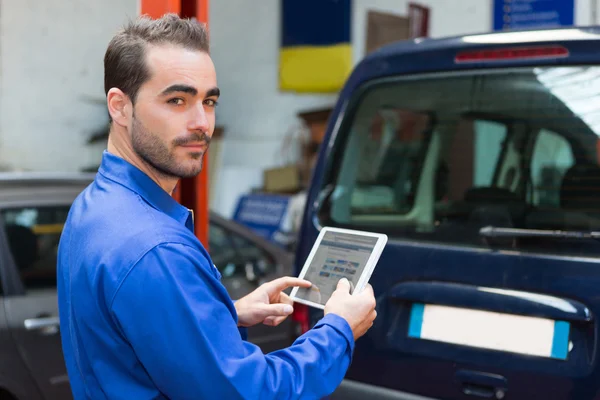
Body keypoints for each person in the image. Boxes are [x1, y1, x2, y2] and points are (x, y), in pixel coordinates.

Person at [57, 13, 378, 400]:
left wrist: (223, 313)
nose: (202, 123)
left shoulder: (92, 208)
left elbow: (131, 340)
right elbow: (251, 392)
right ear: (119, 107)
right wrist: (339, 329)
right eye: (177, 100)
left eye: (208, 101)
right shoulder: (156, 248)